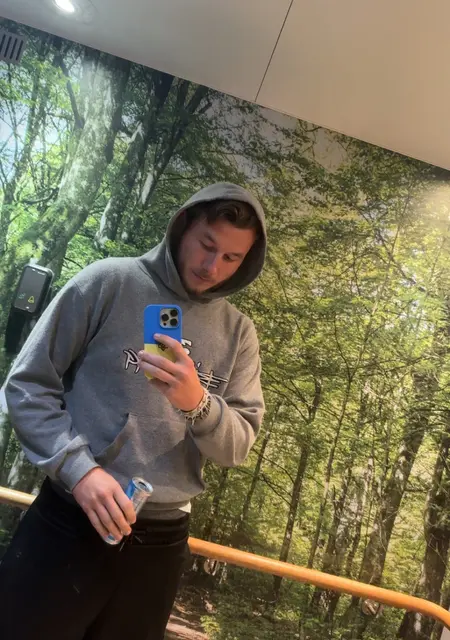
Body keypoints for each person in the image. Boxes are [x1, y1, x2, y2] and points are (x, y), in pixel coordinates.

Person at [0, 183, 266, 640]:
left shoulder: (239, 335)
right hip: (69, 518)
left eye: (231, 258)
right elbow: (26, 386)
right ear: (183, 225)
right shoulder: (107, 281)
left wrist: (198, 403)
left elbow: (237, 447)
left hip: (160, 545)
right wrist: (81, 471)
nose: (212, 267)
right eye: (207, 246)